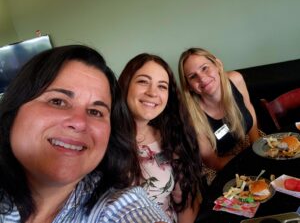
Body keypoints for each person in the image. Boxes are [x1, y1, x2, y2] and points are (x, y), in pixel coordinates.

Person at [0, 45, 171, 223]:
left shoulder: (119, 205)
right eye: (57, 101)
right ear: (15, 109)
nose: (80, 122)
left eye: (95, 112)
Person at [118, 53, 204, 223]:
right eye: (143, 81)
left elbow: (185, 202)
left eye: (162, 86)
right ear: (126, 84)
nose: (152, 93)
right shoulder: (101, 139)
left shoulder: (170, 137)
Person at [178, 48, 260, 178]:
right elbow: (213, 162)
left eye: (205, 68)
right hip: (221, 165)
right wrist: (250, 160)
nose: (202, 78)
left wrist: (257, 146)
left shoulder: (236, 79)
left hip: (247, 145)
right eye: (193, 76)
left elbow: (249, 108)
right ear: (188, 86)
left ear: (218, 65)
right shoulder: (189, 115)